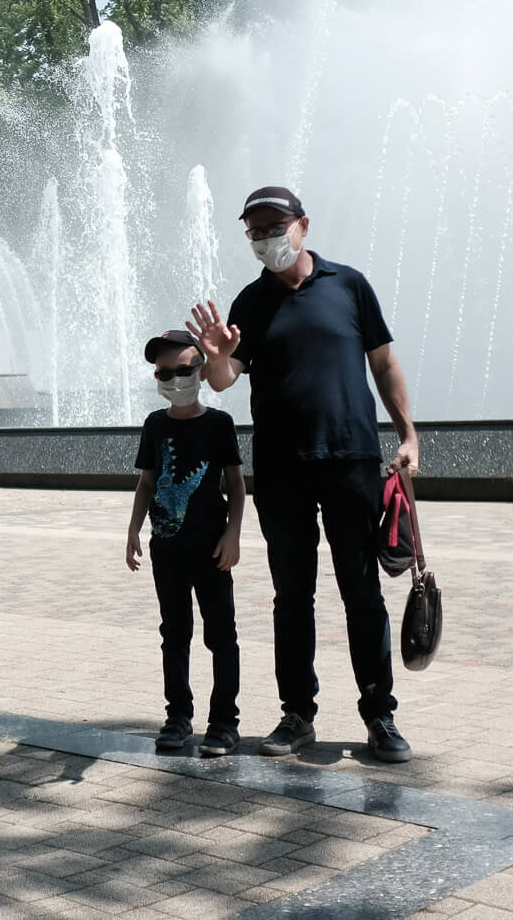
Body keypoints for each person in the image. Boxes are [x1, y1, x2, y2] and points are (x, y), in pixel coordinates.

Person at [188, 186, 419, 764]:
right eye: (255, 231)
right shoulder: (250, 302)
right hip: (283, 469)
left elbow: (384, 361)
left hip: (352, 461)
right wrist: (216, 354)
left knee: (361, 592)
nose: (267, 238)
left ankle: (380, 715)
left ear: (304, 225)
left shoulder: (349, 285)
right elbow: (222, 381)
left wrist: (409, 434)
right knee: (292, 597)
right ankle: (298, 715)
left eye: (275, 226)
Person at [125, 329, 247, 758]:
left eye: (182, 369)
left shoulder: (219, 424)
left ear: (200, 370)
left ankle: (224, 722)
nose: (173, 379)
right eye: (163, 372)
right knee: (174, 634)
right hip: (168, 551)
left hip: (212, 550)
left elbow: (235, 484)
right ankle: (178, 716)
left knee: (221, 635)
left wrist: (233, 534)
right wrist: (133, 529)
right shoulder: (154, 425)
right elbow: (146, 482)